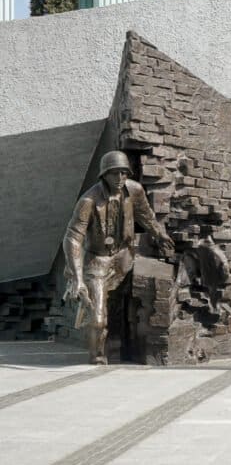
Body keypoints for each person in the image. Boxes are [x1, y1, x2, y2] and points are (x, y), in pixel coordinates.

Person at [63, 150, 174, 364]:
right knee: (97, 319)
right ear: (104, 175)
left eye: (124, 173)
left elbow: (146, 215)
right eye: (115, 173)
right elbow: (73, 238)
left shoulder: (135, 190)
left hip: (125, 254)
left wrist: (159, 234)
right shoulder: (89, 200)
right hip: (98, 260)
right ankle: (98, 357)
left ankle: (129, 348)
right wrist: (78, 279)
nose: (120, 178)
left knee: (130, 305)